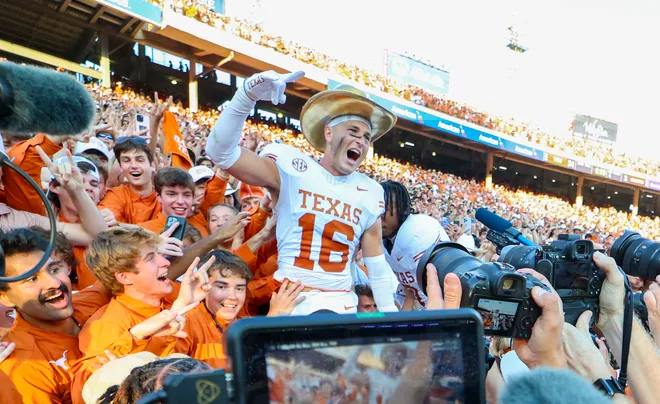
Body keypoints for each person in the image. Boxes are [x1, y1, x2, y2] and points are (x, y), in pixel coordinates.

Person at [206, 70, 399, 314]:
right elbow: (220, 152)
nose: (361, 141)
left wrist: (390, 315)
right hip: (292, 303)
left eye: (366, 137)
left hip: (342, 305)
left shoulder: (370, 190)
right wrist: (247, 95)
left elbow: (377, 264)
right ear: (329, 132)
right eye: (353, 132)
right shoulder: (291, 168)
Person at [70, 226, 215, 404]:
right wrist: (135, 337)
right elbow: (85, 392)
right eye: (151, 258)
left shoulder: (177, 299)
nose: (166, 262)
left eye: (158, 253)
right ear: (124, 277)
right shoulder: (108, 325)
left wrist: (183, 306)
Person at [0, 228, 111, 404]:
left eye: (53, 270)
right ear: (4, 297)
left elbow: (137, 282)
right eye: (32, 279)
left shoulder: (94, 302)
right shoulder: (24, 368)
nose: (54, 283)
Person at [176, 250, 304, 368]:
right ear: (203, 287)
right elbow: (165, 363)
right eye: (222, 287)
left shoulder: (246, 323)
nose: (232, 297)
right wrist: (270, 323)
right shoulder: (189, 321)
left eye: (239, 289)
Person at [380, 180, 449, 309]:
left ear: (402, 208)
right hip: (420, 309)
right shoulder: (385, 240)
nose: (379, 217)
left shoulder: (419, 231)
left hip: (444, 310)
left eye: (385, 210)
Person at [98, 137, 159, 224]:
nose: (133, 165)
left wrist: (120, 225)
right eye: (126, 160)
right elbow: (109, 229)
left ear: (152, 165)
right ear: (121, 167)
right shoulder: (115, 195)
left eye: (140, 160)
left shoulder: (164, 196)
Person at [138, 167, 209, 237]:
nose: (180, 201)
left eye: (187, 195)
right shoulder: (143, 232)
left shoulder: (201, 229)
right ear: (158, 197)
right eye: (172, 194)